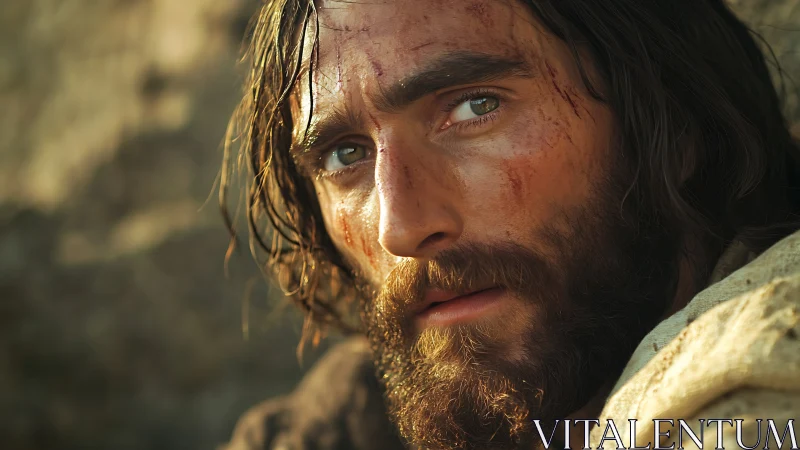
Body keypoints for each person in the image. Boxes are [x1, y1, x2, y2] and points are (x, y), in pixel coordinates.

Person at [220, 1, 800, 449]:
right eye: (345, 155)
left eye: (476, 106)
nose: (400, 229)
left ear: (674, 123)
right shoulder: (337, 424)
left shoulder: (766, 372)